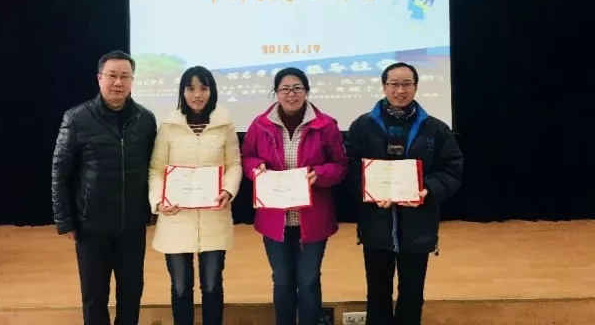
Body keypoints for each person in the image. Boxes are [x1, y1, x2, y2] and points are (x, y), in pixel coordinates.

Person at [345, 62, 463, 325]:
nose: (400, 90)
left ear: (416, 87)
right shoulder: (362, 126)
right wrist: (369, 190)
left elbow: (452, 168)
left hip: (418, 225)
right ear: (384, 86)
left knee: (412, 293)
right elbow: (349, 166)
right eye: (394, 84)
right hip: (376, 223)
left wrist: (427, 189)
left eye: (407, 84)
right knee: (377, 293)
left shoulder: (435, 128)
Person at [51, 50, 158, 325]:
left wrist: (153, 209)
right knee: (94, 296)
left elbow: (154, 168)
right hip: (91, 226)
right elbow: (60, 172)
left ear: (132, 81)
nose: (118, 82)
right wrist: (65, 221)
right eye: (112, 75)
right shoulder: (76, 118)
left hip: (132, 225)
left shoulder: (145, 119)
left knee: (131, 294)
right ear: (99, 78)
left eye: (125, 76)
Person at [241, 67, 348, 325]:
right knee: (282, 280)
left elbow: (341, 165)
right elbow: (247, 157)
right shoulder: (260, 125)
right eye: (285, 89)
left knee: (308, 280)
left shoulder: (326, 125)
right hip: (274, 217)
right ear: (276, 93)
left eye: (297, 88)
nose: (291, 94)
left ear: (306, 91)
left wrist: (318, 174)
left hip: (313, 217)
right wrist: (257, 168)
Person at [148, 66, 242, 325]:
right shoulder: (169, 126)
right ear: (182, 91)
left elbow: (234, 164)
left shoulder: (224, 125)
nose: (197, 94)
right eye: (191, 88)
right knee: (180, 288)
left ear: (212, 91)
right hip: (176, 218)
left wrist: (228, 189)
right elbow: (156, 169)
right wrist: (159, 201)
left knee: (212, 286)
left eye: (204, 88)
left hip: (214, 217)